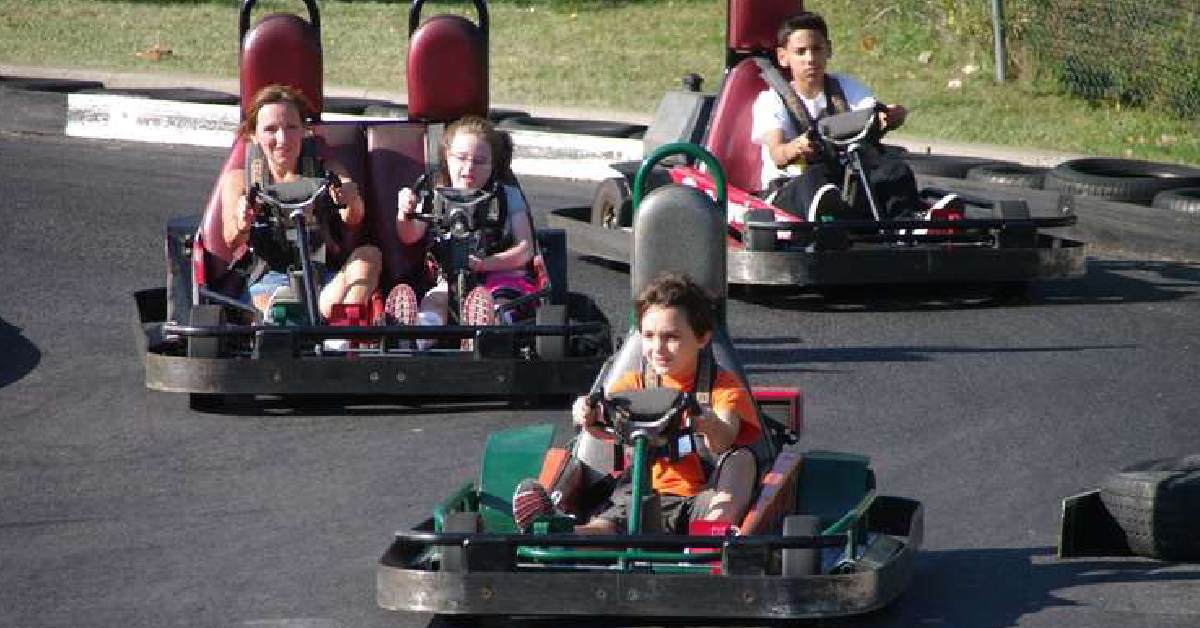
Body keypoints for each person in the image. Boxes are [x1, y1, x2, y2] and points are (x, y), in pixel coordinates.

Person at [512, 272, 761, 535]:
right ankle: (566, 534)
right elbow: (602, 425)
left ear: (702, 338)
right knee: (609, 521)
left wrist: (705, 422)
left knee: (741, 459)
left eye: (671, 337)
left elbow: (725, 438)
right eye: (650, 336)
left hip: (701, 499)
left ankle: (715, 535)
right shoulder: (632, 385)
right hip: (639, 493)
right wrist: (587, 413)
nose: (658, 348)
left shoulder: (722, 387)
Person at [219, 84, 382, 320]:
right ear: (253, 134)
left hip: (320, 277)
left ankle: (340, 324)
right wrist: (243, 222)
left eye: (291, 127)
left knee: (369, 255)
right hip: (269, 281)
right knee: (277, 302)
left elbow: (353, 217)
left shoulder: (327, 171)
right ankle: (308, 319)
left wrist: (351, 198)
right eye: (271, 130)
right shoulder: (239, 180)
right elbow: (231, 238)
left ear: (305, 130)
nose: (282, 139)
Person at [750, 11, 924, 222]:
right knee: (813, 179)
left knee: (892, 167)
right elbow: (778, 153)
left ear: (828, 50)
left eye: (817, 49)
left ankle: (908, 221)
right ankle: (825, 217)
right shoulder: (770, 101)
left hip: (842, 183)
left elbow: (871, 114)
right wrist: (797, 147)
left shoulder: (847, 88)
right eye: (801, 52)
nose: (810, 59)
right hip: (790, 188)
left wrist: (890, 117)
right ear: (783, 57)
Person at [388, 116, 537, 343]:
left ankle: (487, 334)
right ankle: (415, 337)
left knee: (497, 303)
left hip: (498, 275)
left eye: (479, 161)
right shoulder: (433, 193)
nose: (468, 168)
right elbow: (409, 235)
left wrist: (485, 264)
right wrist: (404, 212)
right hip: (449, 279)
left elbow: (525, 249)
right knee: (435, 302)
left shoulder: (506, 194)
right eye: (461, 158)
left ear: (492, 164)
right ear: (447, 157)